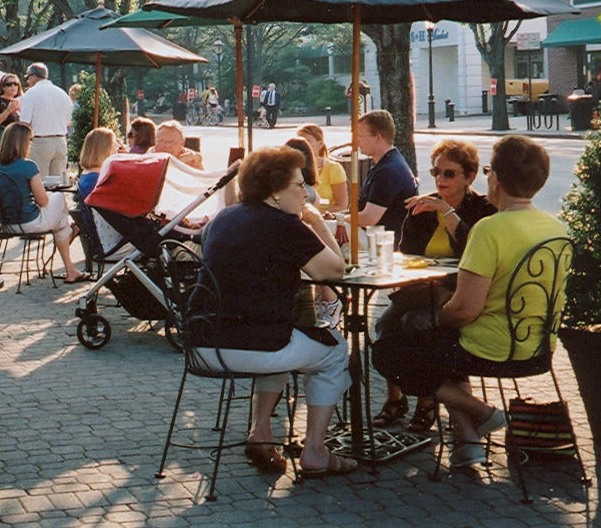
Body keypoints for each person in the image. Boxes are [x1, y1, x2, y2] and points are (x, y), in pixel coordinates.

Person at [373, 135, 562, 468]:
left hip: (489, 347)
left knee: (393, 351)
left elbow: (463, 311)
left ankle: (487, 414)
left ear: (495, 180)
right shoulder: (556, 228)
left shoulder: (488, 229)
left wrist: (432, 318)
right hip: (538, 346)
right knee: (432, 339)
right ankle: (467, 441)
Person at [200, 145, 355, 477]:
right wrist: (314, 220)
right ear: (273, 192)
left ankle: (261, 433)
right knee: (336, 351)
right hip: (254, 348)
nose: (307, 194)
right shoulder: (285, 225)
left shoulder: (223, 218)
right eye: (299, 186)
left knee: (288, 339)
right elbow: (335, 270)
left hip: (204, 345)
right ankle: (315, 451)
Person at [371, 139, 497, 433]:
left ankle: (426, 401)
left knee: (415, 324)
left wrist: (447, 212)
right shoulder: (421, 207)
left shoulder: (482, 209)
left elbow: (474, 252)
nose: (440, 180)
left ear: (469, 177)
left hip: (459, 294)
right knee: (386, 325)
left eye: (449, 174)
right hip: (422, 290)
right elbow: (408, 255)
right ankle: (396, 398)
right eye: (436, 172)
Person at [0, 122, 87, 283]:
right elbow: (43, 201)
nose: (31, 144)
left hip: (7, 223)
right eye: (29, 140)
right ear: (21, 143)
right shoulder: (28, 166)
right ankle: (70, 262)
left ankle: (70, 255)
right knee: (59, 202)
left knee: (60, 221)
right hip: (29, 222)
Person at [356, 109, 417, 233]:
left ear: (378, 137)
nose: (357, 142)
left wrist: (339, 219)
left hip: (386, 242)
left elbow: (368, 218)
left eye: (360, 136)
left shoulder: (388, 171)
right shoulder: (388, 162)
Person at [18, 62, 73, 176]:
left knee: (39, 181)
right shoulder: (62, 93)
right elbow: (69, 121)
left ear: (33, 76)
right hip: (61, 142)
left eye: (28, 78)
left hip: (39, 142)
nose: (27, 81)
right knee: (58, 184)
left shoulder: (31, 94)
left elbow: (24, 123)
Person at [76, 127, 120, 254]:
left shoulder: (88, 174)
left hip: (100, 239)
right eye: (114, 143)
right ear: (104, 148)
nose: (117, 147)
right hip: (109, 243)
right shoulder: (98, 179)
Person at [297, 124, 348, 212]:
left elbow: (342, 205)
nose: (303, 147)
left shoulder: (333, 169)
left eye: (308, 142)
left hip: (326, 218)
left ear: (320, 144)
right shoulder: (292, 169)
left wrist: (315, 214)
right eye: (300, 143)